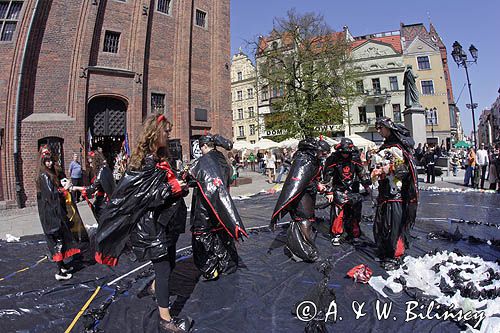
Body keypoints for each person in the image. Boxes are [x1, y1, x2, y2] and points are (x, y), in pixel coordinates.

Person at [94, 114, 192, 332]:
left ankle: (155, 288)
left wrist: (180, 183)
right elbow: (144, 196)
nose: (168, 134)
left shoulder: (159, 159)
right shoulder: (144, 163)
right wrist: (174, 187)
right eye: (165, 131)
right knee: (165, 269)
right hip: (153, 227)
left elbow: (161, 188)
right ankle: (165, 319)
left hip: (167, 224)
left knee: (171, 264)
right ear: (154, 134)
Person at [189, 133, 247, 281]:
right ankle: (227, 265)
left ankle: (211, 268)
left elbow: (189, 177)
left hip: (205, 207)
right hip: (220, 205)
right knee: (221, 233)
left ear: (203, 146)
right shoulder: (221, 159)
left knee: (203, 235)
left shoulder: (203, 162)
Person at [270, 138, 331, 262]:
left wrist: (317, 185)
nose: (323, 155)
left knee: (305, 220)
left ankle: (301, 248)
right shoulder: (305, 161)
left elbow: (307, 179)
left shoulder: (310, 160)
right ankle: (303, 250)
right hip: (301, 196)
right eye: (322, 152)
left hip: (305, 195)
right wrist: (317, 186)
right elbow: (301, 182)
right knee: (304, 220)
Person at [373, 117, 419, 270]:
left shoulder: (398, 148)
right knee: (383, 225)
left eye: (381, 128)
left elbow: (405, 171)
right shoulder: (385, 147)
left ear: (388, 127)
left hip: (396, 195)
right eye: (377, 128)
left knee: (394, 226)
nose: (379, 131)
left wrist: (391, 169)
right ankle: (386, 251)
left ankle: (394, 255)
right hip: (385, 193)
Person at [36, 147, 81, 281]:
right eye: (47, 161)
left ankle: (62, 267)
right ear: (42, 162)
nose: (49, 163)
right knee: (57, 241)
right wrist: (64, 189)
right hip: (51, 215)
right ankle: (60, 273)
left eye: (50, 160)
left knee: (60, 238)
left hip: (54, 212)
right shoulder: (44, 175)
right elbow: (51, 195)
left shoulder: (49, 174)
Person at [323, 138, 371, 246]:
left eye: (347, 152)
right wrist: (329, 191)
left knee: (355, 212)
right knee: (338, 213)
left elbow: (361, 172)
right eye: (343, 152)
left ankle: (354, 234)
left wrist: (366, 186)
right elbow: (328, 175)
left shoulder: (354, 157)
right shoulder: (333, 159)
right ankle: (337, 234)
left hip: (353, 188)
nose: (345, 155)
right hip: (338, 188)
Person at [73, 150, 115, 223]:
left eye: (91, 163)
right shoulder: (106, 168)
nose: (91, 165)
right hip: (107, 200)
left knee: (102, 221)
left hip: (104, 203)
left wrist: (76, 188)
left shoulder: (101, 171)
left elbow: (92, 187)